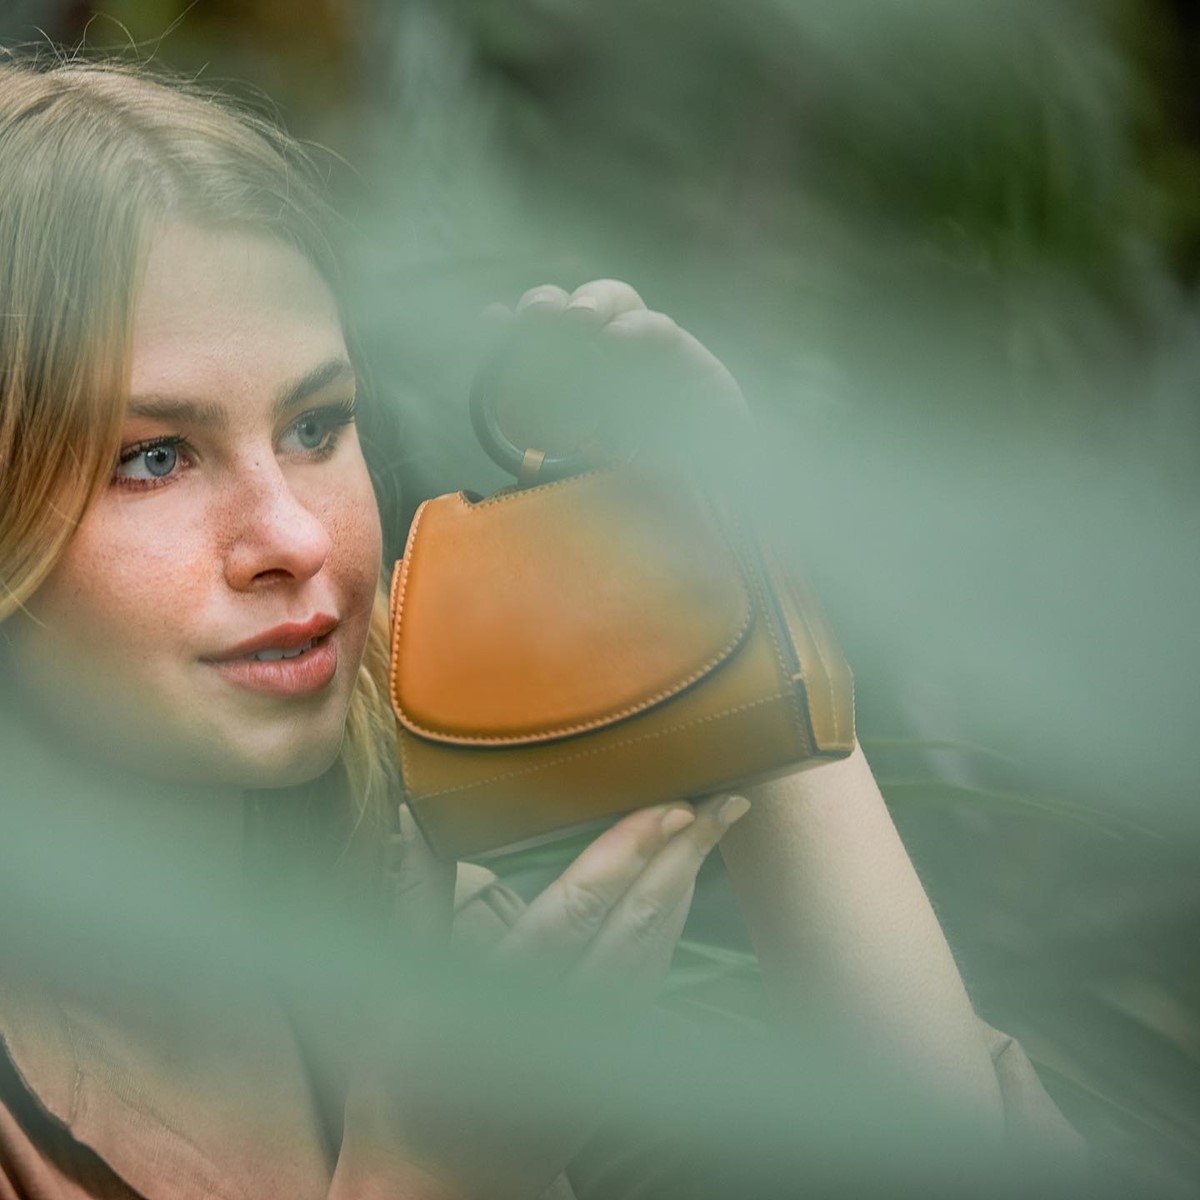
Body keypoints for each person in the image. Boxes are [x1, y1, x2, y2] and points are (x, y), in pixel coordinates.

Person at [0, 52, 1087, 1200]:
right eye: (153, 458)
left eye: (318, 425)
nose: (295, 537)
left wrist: (726, 587)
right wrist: (429, 1163)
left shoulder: (394, 917)